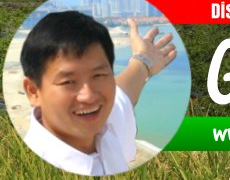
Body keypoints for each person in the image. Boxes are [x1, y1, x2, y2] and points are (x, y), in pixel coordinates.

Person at [20, 11, 176, 176]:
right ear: (33, 91)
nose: (89, 96)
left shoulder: (105, 125)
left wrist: (144, 60)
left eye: (98, 75)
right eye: (68, 82)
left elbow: (123, 94)